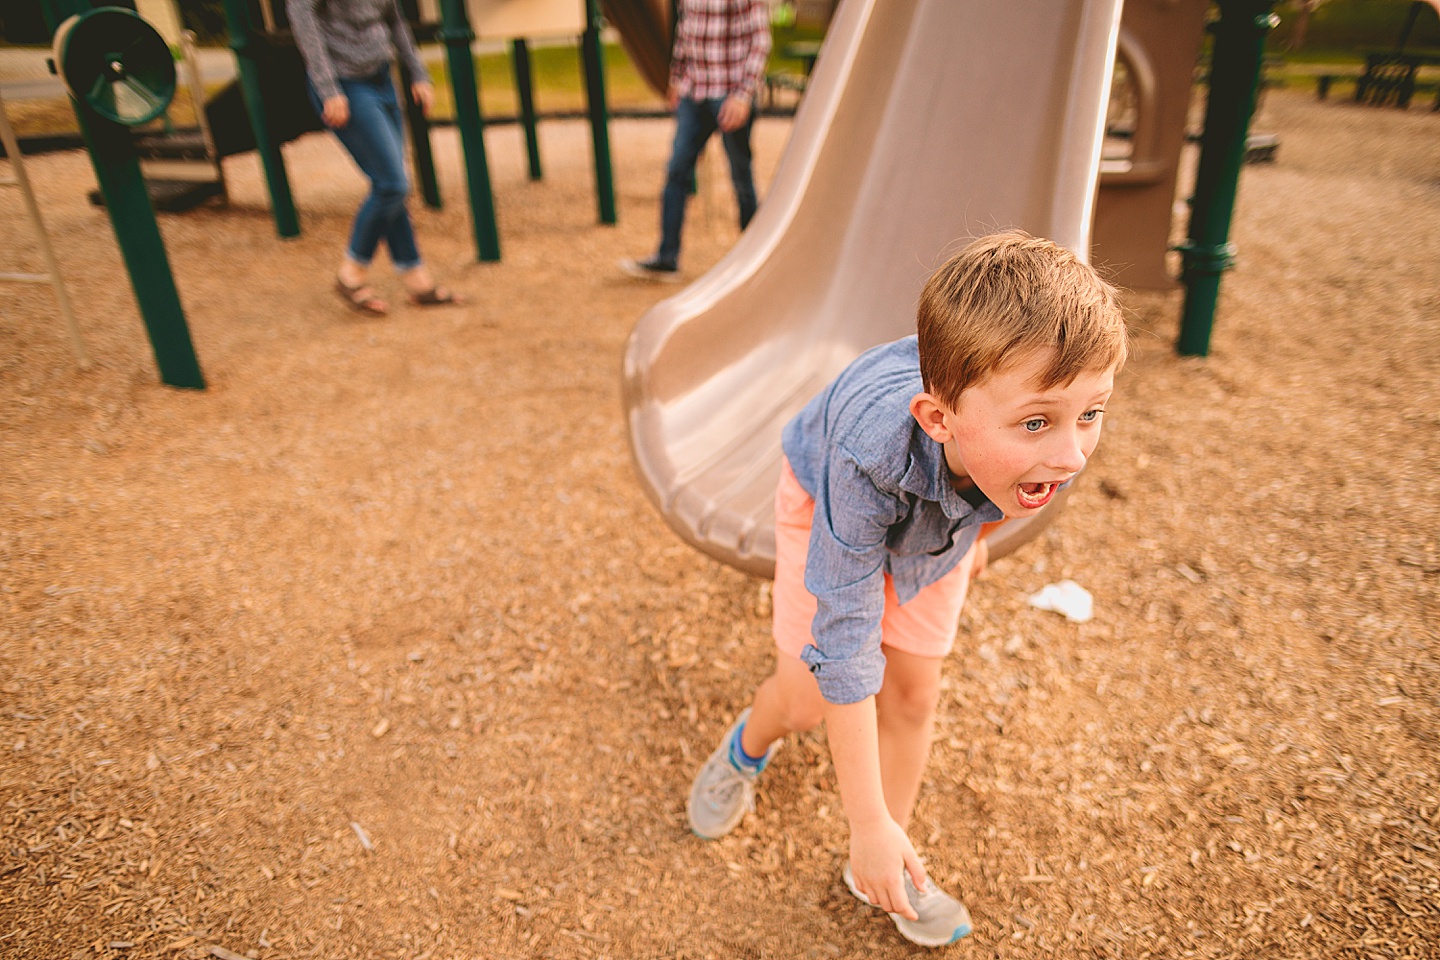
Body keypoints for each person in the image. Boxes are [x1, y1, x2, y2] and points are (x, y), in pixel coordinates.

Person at [685, 231, 1127, 946]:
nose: (1072, 452)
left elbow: (1009, 483)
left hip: (938, 532)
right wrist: (859, 821)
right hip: (826, 505)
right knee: (805, 695)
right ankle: (746, 750)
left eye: (1092, 414)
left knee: (915, 691)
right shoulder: (868, 458)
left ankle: (886, 863)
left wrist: (974, 538)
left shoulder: (1013, 441)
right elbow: (847, 639)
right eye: (1041, 422)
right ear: (938, 419)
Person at [289, 0, 462, 316]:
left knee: (393, 182)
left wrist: (418, 73)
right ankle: (351, 273)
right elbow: (303, 21)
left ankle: (417, 281)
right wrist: (328, 89)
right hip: (345, 86)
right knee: (392, 184)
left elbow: (395, 19)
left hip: (382, 78)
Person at [619, 0, 772, 281]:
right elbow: (685, 31)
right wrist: (677, 77)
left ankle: (755, 257)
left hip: (729, 92)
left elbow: (760, 40)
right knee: (677, 170)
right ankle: (667, 257)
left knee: (740, 175)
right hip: (696, 90)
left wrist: (743, 94)